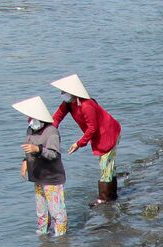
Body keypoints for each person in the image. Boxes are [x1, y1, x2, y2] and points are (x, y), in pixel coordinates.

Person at [51, 74, 122, 204]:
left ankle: (104, 198)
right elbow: (57, 117)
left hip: (108, 132)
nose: (62, 94)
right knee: (108, 165)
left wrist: (79, 143)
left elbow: (92, 128)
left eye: (64, 92)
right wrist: (50, 131)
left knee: (105, 163)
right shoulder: (68, 104)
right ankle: (112, 195)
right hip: (99, 135)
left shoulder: (86, 105)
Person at [15, 96, 67, 237]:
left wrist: (38, 149)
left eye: (30, 117)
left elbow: (53, 154)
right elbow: (28, 148)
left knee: (57, 212)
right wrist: (25, 162)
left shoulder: (51, 132)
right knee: (41, 212)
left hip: (52, 177)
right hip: (38, 176)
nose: (28, 120)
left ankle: (61, 239)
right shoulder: (30, 130)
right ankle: (43, 237)